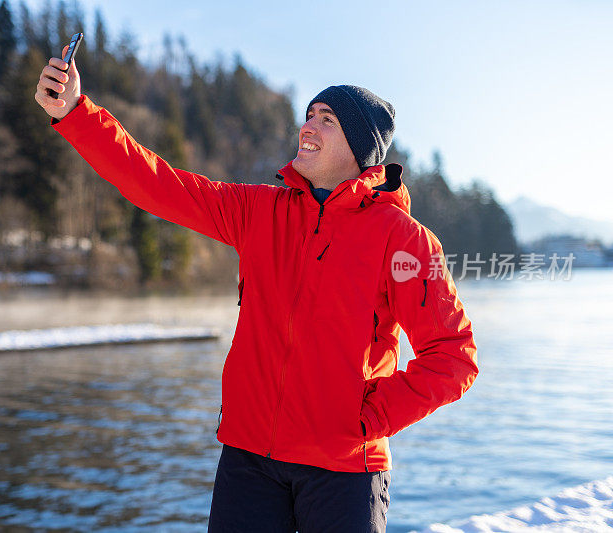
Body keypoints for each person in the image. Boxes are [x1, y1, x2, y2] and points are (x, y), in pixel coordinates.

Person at [35, 47, 478, 533]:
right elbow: (157, 185)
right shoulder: (260, 211)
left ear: (360, 145)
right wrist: (75, 114)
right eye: (308, 115)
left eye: (327, 119)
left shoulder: (405, 239)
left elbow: (454, 356)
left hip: (343, 470)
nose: (307, 126)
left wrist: (367, 420)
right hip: (248, 459)